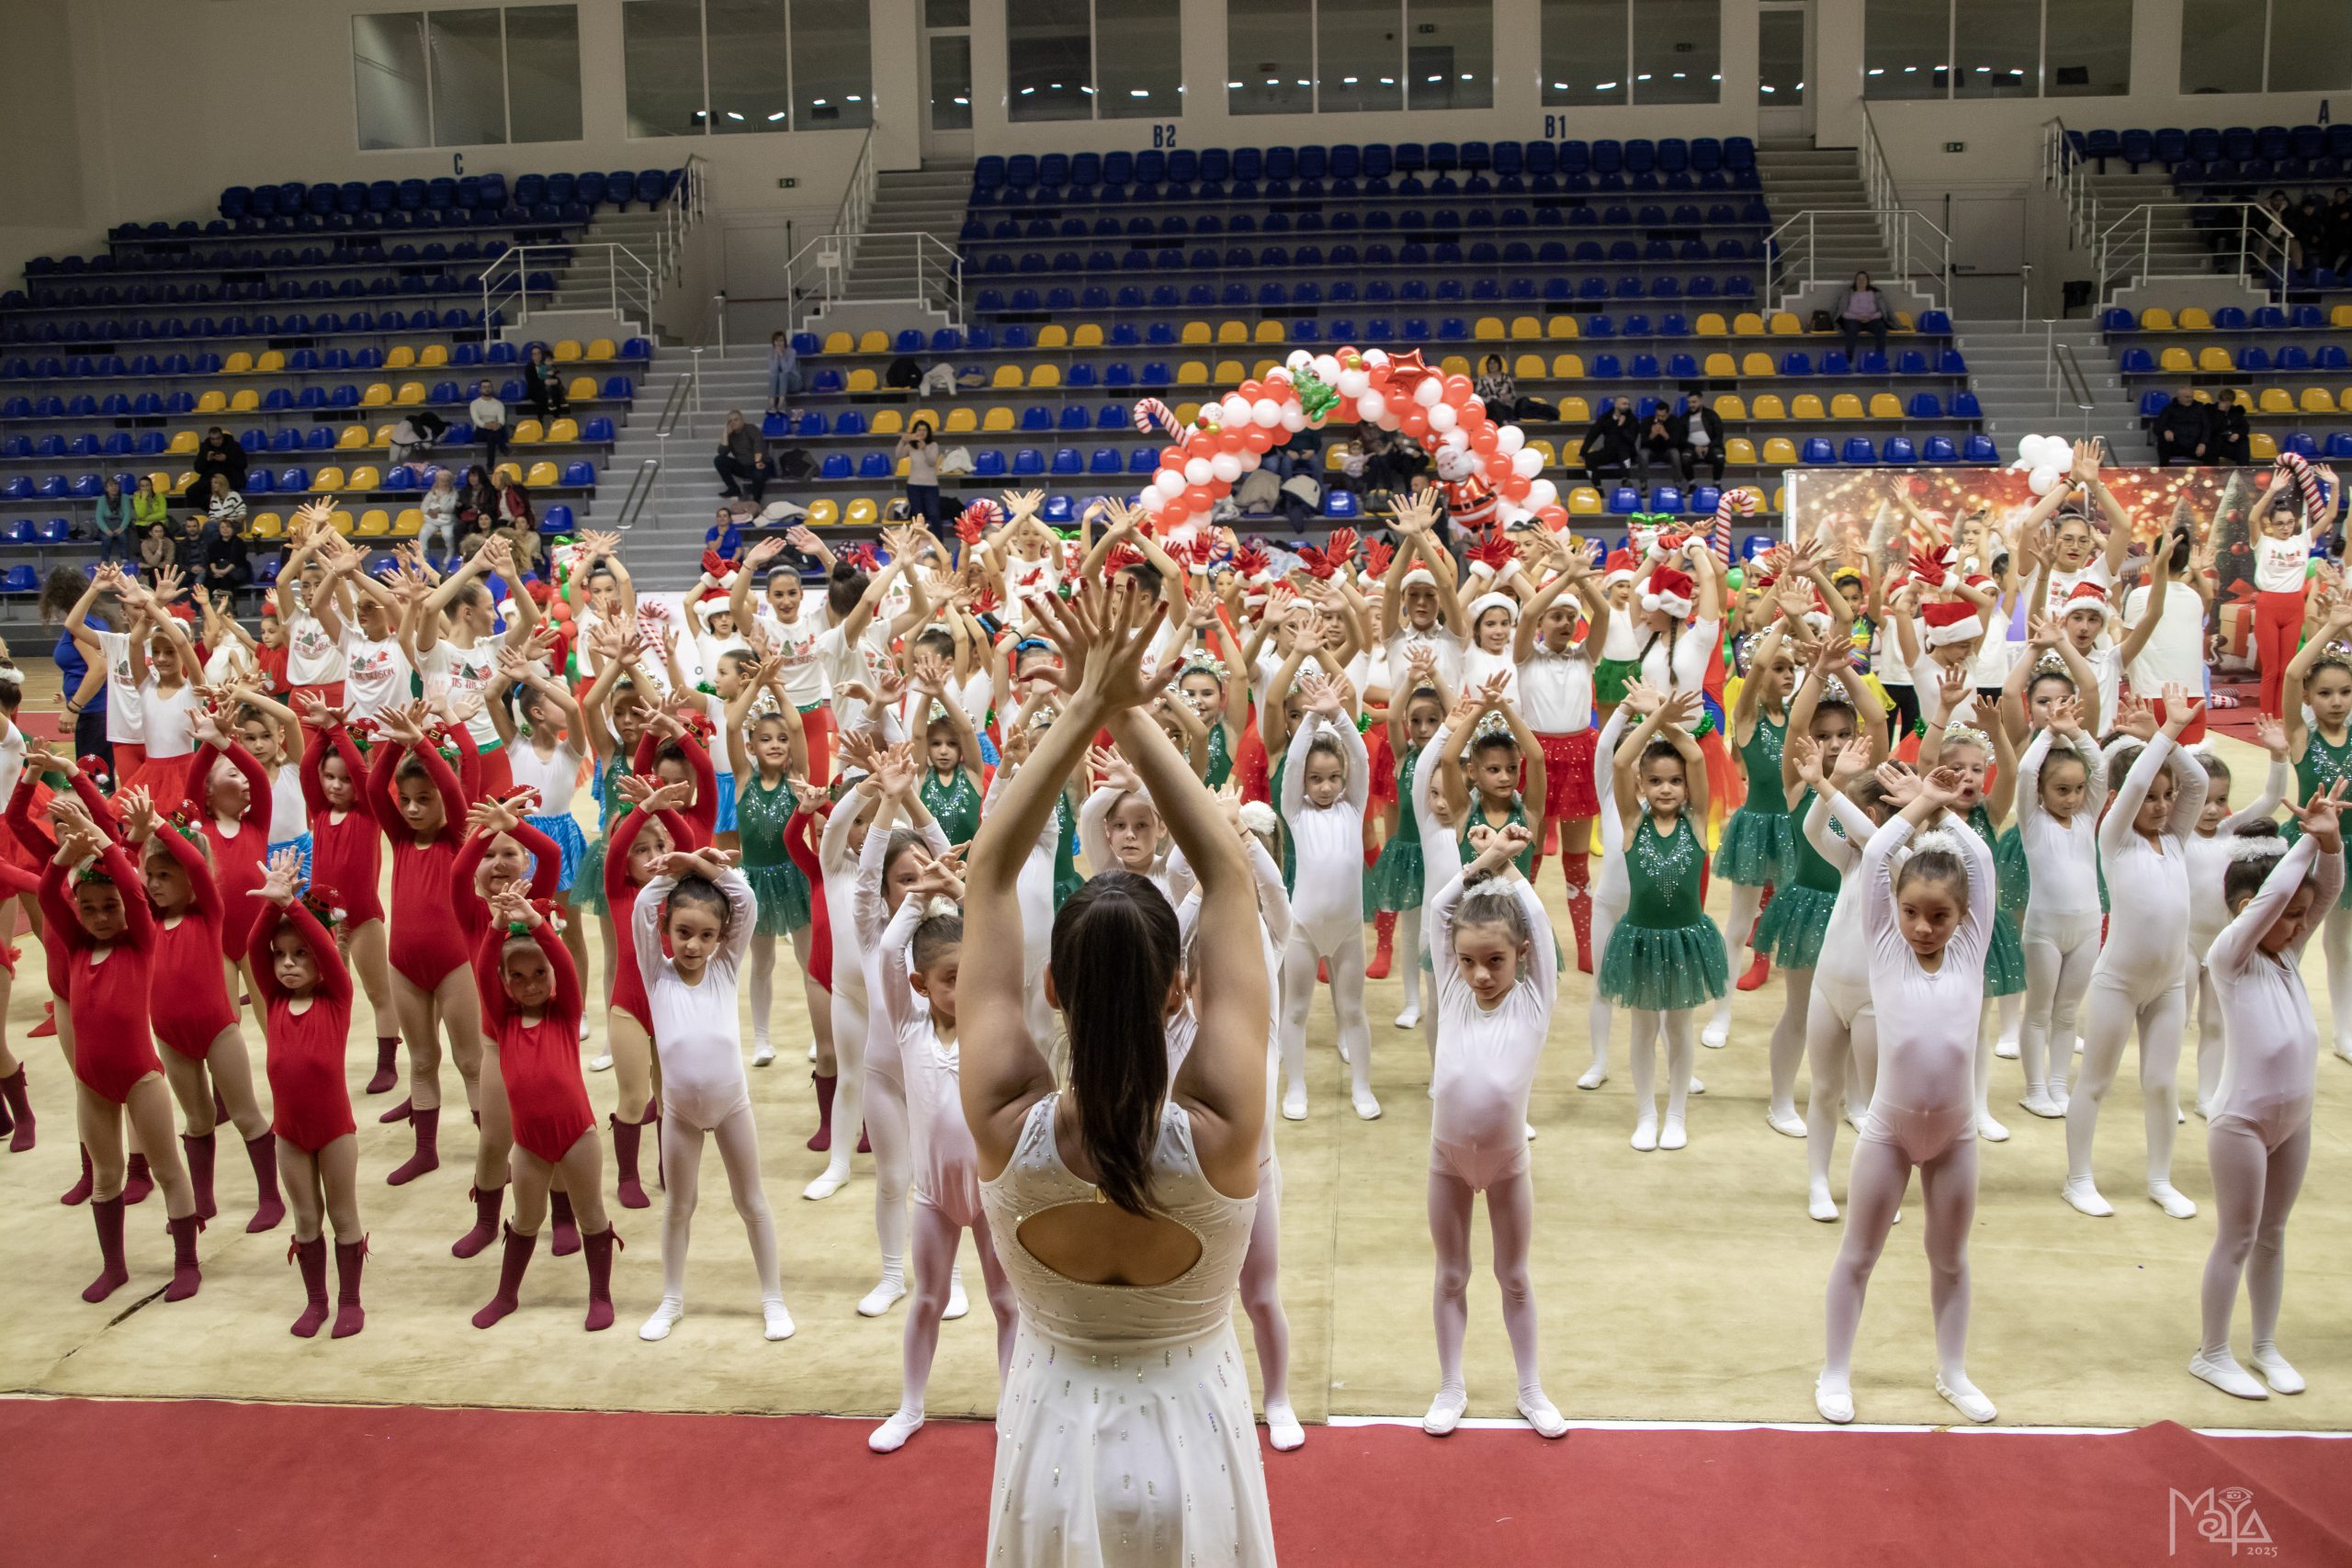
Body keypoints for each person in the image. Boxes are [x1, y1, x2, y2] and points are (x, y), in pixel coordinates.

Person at [962, 579, 1275, 1562]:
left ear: (1051, 988)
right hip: (1196, 1441)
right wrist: (1128, 712)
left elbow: (986, 873)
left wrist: (1083, 705)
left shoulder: (1002, 1115)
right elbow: (1226, 872)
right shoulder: (1220, 1125)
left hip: (1052, 1445)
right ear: (1179, 992)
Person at [1815, 765, 1998, 1427]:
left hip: (1955, 1137)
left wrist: (1944, 812)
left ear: (1965, 916)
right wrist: (1919, 804)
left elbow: (1981, 864)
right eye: (1912, 913)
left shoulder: (1970, 950)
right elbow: (1876, 859)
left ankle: (1953, 1371)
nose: (1923, 927)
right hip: (1889, 1133)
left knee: (1949, 1259)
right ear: (1894, 910)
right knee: (1858, 1255)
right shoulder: (1886, 948)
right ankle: (1835, 1371)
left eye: (1940, 916)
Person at [2192, 791, 2345, 1401]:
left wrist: (2330, 843)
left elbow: (2325, 892)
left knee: (2273, 1233)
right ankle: (2212, 1352)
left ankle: (2264, 1345)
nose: (2302, 923)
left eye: (2303, 917)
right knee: (2237, 1237)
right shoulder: (2231, 957)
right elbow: (2280, 895)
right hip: (2243, 1123)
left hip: (2294, 1121)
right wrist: (2305, 840)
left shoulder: (2287, 954)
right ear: (2248, 909)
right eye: (2290, 915)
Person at [1421, 819, 1567, 1438]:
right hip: (1448, 1161)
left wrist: (1508, 866)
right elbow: (1439, 908)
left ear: (1522, 954)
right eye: (1468, 961)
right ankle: (1450, 1385)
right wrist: (1479, 863)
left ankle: (1530, 1389)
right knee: (1452, 1275)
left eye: (1495, 961)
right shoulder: (1454, 992)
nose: (1480, 974)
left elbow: (1539, 924)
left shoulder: (1533, 1001)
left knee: (1514, 1277)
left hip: (1506, 1165)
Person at [40, 795, 204, 1304]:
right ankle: (114, 1266)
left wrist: (103, 842)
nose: (99, 917)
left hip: (140, 1078)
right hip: (91, 1083)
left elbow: (133, 891)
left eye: (109, 907)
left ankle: (187, 1263)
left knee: (168, 1169)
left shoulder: (140, 942)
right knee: (106, 1175)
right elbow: (47, 894)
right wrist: (68, 853)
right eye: (88, 909)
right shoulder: (76, 947)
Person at [635, 851, 794, 1345]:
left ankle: (773, 1299)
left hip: (731, 1108)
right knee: (679, 1207)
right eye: (683, 932)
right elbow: (641, 907)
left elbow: (744, 899)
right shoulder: (656, 972)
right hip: (679, 1114)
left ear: (722, 936)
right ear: (666, 928)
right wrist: (675, 874)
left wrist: (698, 865)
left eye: (706, 935)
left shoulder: (725, 967)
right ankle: (671, 1300)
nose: (693, 944)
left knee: (752, 1203)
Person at [2063, 690, 2207, 1219]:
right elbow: (2137, 785)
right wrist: (2163, 737)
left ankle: (2161, 1179)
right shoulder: (2115, 839)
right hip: (2118, 982)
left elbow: (2198, 783)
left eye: (2167, 797)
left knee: (2163, 1084)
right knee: (2096, 1082)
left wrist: (2167, 741)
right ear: (2123, 799)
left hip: (2169, 984)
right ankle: (2078, 1179)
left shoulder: (2175, 841)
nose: (2162, 805)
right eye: (2151, 798)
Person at [470, 886, 619, 1332]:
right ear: (504, 983)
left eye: (539, 973)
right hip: (529, 1145)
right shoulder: (503, 1021)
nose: (531, 983)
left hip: (578, 1137)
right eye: (517, 977)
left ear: (553, 975)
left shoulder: (565, 1013)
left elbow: (565, 963)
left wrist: (536, 922)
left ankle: (600, 1295)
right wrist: (497, 926)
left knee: (591, 1215)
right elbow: (482, 970)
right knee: (526, 1219)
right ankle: (506, 1295)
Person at [248, 849, 369, 1338]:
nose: (287, 964)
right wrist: (271, 905)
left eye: (300, 955)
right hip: (290, 1135)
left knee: (342, 1214)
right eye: (281, 956)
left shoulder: (336, 997)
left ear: (323, 958)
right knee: (304, 1218)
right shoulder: (275, 1000)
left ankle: (350, 1302)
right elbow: (254, 946)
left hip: (335, 1131)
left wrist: (292, 906)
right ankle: (316, 1301)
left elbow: (322, 945)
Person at [1600, 683, 1726, 1151]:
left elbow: (1694, 756)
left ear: (1686, 787)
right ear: (1642, 785)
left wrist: (1665, 717)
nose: (1666, 788)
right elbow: (1619, 762)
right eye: (1655, 781)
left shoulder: (1696, 822)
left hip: (1684, 940)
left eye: (1674, 781)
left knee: (1679, 1028)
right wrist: (1650, 718)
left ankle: (1676, 1114)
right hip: (1641, 940)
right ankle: (1645, 1114)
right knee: (1643, 1029)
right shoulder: (1633, 823)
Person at [713, 409, 770, 504]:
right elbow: (722, 453)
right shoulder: (731, 435)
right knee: (719, 460)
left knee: (758, 474)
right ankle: (733, 489)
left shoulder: (751, 429)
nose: (733, 423)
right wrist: (725, 433)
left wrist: (757, 461)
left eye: (736, 420)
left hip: (760, 464)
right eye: (730, 421)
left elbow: (758, 445)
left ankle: (756, 501)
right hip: (744, 466)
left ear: (742, 420)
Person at [1835, 271, 1891, 362]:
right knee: (1851, 329)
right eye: (1859, 279)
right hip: (1853, 320)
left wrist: (1870, 317)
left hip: (1871, 319)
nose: (1861, 281)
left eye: (1863, 279)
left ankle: (1880, 356)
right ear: (1855, 281)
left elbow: (1881, 312)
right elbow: (1844, 313)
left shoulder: (1874, 293)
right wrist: (1859, 317)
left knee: (1881, 327)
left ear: (1867, 281)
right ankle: (1848, 357)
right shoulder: (1849, 293)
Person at [897, 418, 941, 534]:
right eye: (919, 430)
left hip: (931, 486)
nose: (921, 432)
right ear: (915, 432)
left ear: (928, 432)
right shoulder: (911, 446)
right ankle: (919, 541)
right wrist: (902, 441)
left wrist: (924, 448)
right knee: (918, 516)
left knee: (934, 514)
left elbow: (932, 462)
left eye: (924, 430)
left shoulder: (933, 445)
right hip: (913, 485)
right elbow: (898, 455)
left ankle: (938, 541)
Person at [1581, 400, 1639, 489]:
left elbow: (1632, 440)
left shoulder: (1632, 419)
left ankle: (1625, 479)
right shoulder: (1605, 418)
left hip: (1627, 452)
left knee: (1623, 451)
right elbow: (1592, 434)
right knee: (1589, 458)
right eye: (1624, 403)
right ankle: (1597, 486)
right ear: (1616, 405)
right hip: (1609, 451)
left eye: (1628, 404)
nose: (1626, 406)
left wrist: (1621, 426)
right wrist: (1583, 452)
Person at [1669, 398, 1727, 485]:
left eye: (1694, 402)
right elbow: (1681, 439)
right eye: (1689, 402)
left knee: (1720, 458)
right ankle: (1692, 485)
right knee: (1685, 459)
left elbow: (1719, 436)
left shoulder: (1712, 415)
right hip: (1691, 448)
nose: (1691, 405)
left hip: (1710, 448)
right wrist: (1694, 447)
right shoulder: (1683, 418)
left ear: (1701, 401)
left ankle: (1717, 484)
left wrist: (1708, 447)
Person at [186, 427, 247, 506]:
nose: (216, 441)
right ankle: (214, 510)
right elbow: (198, 469)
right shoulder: (205, 447)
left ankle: (219, 510)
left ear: (222, 437)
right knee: (191, 492)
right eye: (213, 439)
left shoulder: (233, 446)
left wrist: (226, 459)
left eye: (218, 438)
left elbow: (243, 464)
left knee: (222, 493)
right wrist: (206, 460)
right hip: (210, 479)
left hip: (230, 478)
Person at [2154, 388, 2211, 466]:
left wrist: (2203, 443)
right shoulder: (2169, 409)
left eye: (2191, 397)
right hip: (2176, 444)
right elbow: (2158, 426)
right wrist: (2165, 430)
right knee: (2163, 441)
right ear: (2179, 398)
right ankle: (2164, 470)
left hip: (2196, 445)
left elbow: (2207, 427)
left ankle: (2211, 472)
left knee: (2212, 447)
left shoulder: (2200, 408)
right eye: (2187, 397)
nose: (2190, 399)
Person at [199, 513, 250, 593]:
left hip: (234, 571)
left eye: (228, 527)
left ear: (233, 529)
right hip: (218, 570)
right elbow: (212, 559)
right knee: (211, 582)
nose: (225, 529)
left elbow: (236, 561)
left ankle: (227, 601)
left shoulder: (239, 543)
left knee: (225, 581)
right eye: (222, 527)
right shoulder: (214, 544)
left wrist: (223, 572)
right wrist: (215, 570)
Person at [522, 344, 571, 423]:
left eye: (539, 353)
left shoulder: (546, 364)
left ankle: (556, 417)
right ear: (532, 356)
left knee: (555, 391)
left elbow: (554, 376)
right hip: (535, 390)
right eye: (535, 354)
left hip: (548, 387)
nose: (537, 356)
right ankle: (541, 418)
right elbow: (531, 383)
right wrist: (544, 382)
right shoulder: (529, 367)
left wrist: (556, 381)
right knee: (543, 395)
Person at [420, 469, 461, 562]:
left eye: (446, 480)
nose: (444, 482)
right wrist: (429, 511)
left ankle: (450, 554)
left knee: (448, 535)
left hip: (447, 521)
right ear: (437, 481)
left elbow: (450, 507)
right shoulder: (432, 493)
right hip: (432, 520)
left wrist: (439, 509)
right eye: (441, 480)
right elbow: (423, 506)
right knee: (423, 533)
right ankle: (424, 556)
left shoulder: (454, 494)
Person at [469, 379, 509, 468]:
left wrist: (497, 425)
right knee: (493, 434)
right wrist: (486, 425)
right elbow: (476, 420)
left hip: (495, 428)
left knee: (492, 435)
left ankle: (490, 466)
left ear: (492, 388)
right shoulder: (474, 404)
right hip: (481, 430)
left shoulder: (499, 404)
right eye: (484, 387)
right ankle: (503, 449)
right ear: (480, 389)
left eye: (489, 387)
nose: (487, 389)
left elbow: (502, 420)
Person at [93, 478, 132, 563]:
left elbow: (127, 515)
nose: (114, 487)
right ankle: (104, 562)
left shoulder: (124, 497)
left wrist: (121, 528)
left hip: (120, 523)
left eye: (116, 485)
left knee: (123, 537)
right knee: (106, 539)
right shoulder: (102, 499)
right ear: (106, 488)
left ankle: (125, 561)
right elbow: (99, 517)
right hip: (106, 524)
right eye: (111, 485)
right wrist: (106, 530)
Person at [767, 330, 801, 413]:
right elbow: (773, 371)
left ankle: (780, 405)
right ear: (773, 342)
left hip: (794, 382)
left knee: (783, 374)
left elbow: (787, 369)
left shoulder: (792, 352)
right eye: (776, 341)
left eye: (781, 340)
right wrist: (776, 357)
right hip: (780, 383)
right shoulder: (771, 352)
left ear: (785, 342)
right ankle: (771, 405)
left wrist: (782, 356)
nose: (779, 343)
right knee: (773, 375)